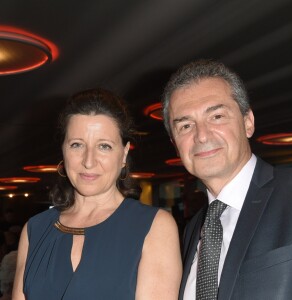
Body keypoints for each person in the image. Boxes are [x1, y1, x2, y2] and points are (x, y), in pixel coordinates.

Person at [13, 88, 182, 300]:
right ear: (63, 150)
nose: (89, 161)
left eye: (104, 146)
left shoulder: (154, 226)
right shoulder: (34, 229)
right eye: (77, 145)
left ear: (124, 153)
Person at [161, 59, 292, 300]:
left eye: (216, 116)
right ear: (175, 144)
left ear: (248, 122)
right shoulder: (192, 230)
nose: (201, 136)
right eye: (185, 125)